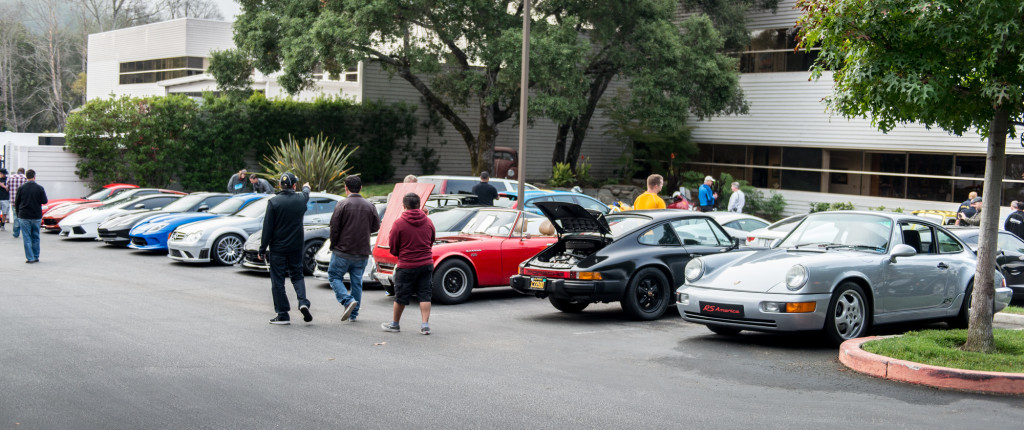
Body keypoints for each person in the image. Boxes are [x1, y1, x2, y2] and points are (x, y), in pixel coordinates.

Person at [259, 172, 313, 325]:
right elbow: (306, 193)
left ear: (280, 186)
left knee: (278, 280)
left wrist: (262, 249)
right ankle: (303, 301)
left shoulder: (274, 202)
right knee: (297, 274)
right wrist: (306, 187)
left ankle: (283, 314)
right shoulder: (300, 200)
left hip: (278, 248)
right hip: (296, 246)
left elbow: (267, 228)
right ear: (294, 186)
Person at [328, 175, 381, 323]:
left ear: (346, 188)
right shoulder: (370, 206)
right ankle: (353, 314)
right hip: (362, 251)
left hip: (343, 251)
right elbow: (376, 227)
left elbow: (334, 228)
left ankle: (347, 301)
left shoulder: (342, 204)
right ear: (361, 188)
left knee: (334, 276)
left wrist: (333, 245)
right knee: (356, 282)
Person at [382, 193, 436, 335]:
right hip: (426, 263)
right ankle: (425, 326)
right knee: (425, 294)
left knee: (401, 296)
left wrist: (399, 253)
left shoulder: (399, 223)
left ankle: (395, 324)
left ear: (404, 206)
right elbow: (432, 240)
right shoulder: (428, 221)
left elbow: (393, 246)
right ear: (419, 205)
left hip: (406, 265)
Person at [14, 169, 47, 263]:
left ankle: (30, 258)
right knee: (36, 236)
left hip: (24, 215)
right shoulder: (40, 188)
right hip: (36, 215)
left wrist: (18, 213)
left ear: (26, 177)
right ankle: (36, 256)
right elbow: (44, 201)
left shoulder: (21, 188)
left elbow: (17, 202)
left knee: (26, 237)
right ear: (34, 176)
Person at [7, 168, 27, 237]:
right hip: (23, 200)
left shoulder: (10, 177)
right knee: (24, 217)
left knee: (15, 216)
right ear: (23, 172)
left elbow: (7, 188)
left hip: (13, 200)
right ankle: (24, 231)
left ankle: (16, 232)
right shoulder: (25, 178)